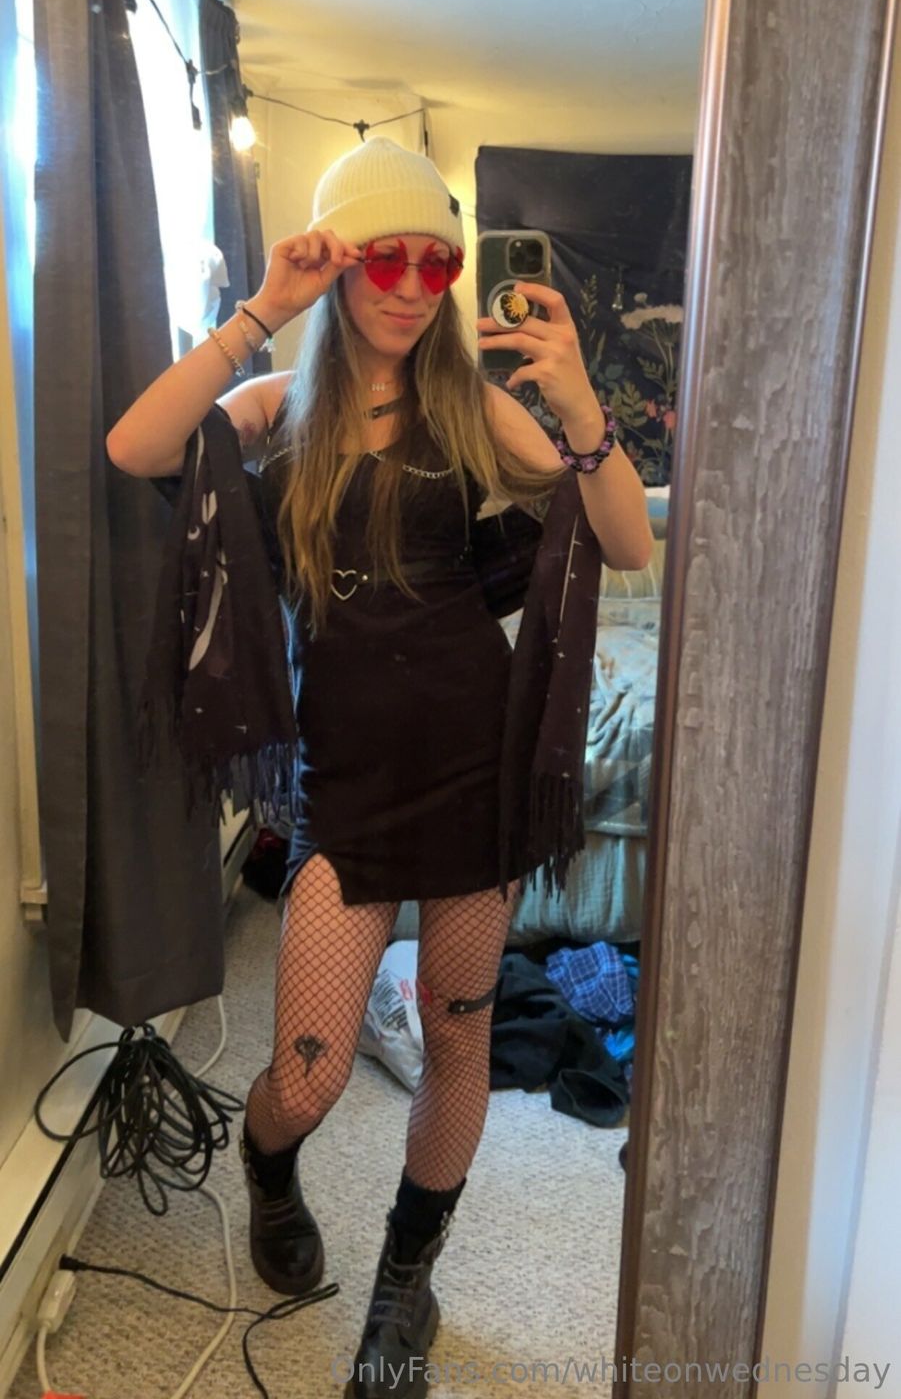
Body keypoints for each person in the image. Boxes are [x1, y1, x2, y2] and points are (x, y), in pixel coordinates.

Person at [106, 136, 652, 1399]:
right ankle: (269, 1167)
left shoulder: (474, 410)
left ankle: (408, 1278)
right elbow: (137, 446)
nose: (410, 285)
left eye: (434, 262)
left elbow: (623, 538)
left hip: (478, 772)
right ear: (342, 262)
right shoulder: (278, 410)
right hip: (346, 788)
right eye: (384, 257)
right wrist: (265, 306)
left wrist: (579, 406)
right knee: (306, 1073)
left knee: (459, 1037)